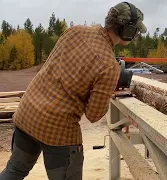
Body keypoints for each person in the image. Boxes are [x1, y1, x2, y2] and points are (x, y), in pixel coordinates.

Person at [0, 2, 146, 180]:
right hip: (59, 131)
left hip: (27, 114)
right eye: (135, 31)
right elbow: (94, 115)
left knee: (14, 171)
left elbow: (61, 69)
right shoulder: (109, 66)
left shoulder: (75, 31)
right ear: (127, 31)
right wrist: (106, 88)